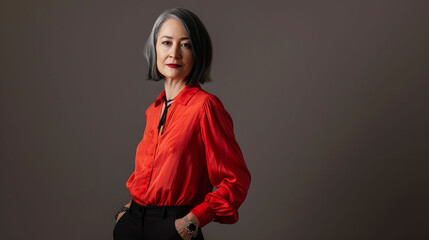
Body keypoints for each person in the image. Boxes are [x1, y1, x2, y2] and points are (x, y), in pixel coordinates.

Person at [113, 8, 251, 240]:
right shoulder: (154, 110)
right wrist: (125, 213)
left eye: (185, 45)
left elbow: (236, 180)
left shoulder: (205, 107)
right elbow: (148, 176)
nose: (174, 53)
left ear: (198, 52)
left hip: (172, 229)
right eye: (166, 43)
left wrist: (192, 221)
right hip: (132, 225)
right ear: (154, 48)